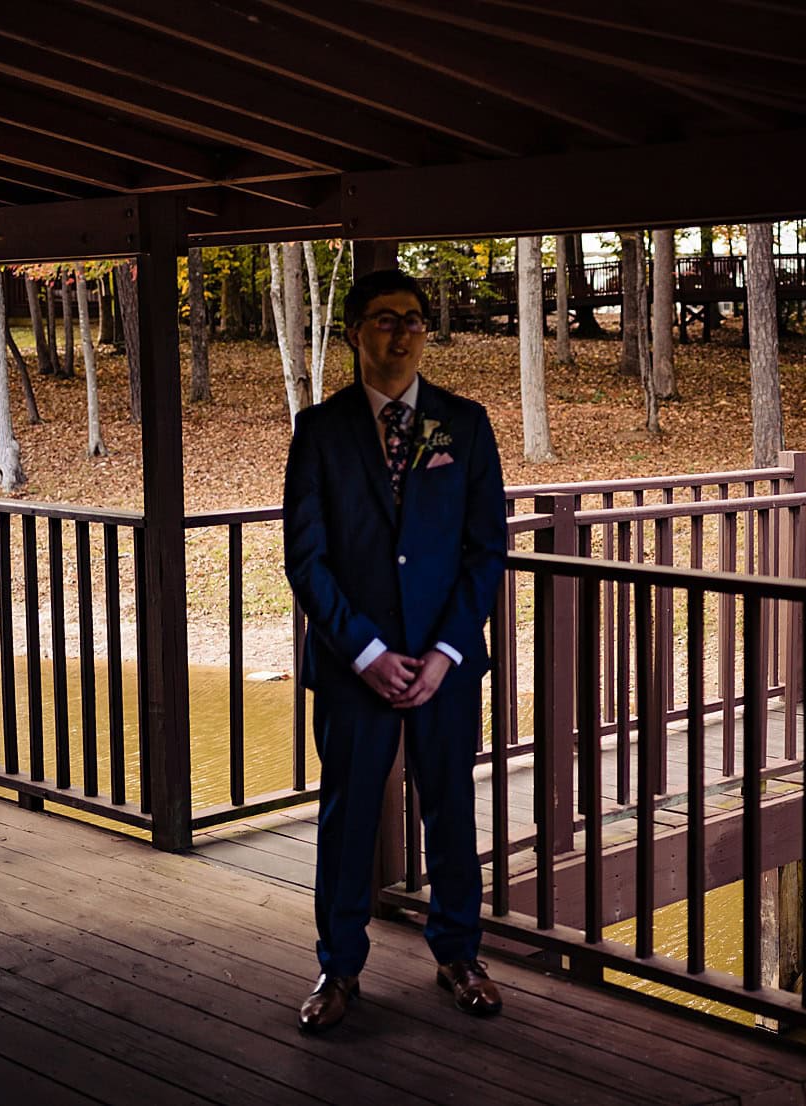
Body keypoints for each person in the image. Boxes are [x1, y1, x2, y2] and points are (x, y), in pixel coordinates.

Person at [283, 268, 508, 1033]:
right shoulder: (319, 431)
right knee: (347, 818)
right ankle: (338, 966)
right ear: (354, 332)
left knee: (452, 811)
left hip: (444, 666)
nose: (404, 332)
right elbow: (306, 558)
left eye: (413, 319)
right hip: (356, 668)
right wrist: (368, 652)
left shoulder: (465, 425)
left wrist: (444, 652)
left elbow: (485, 551)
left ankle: (460, 956)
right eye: (386, 319)